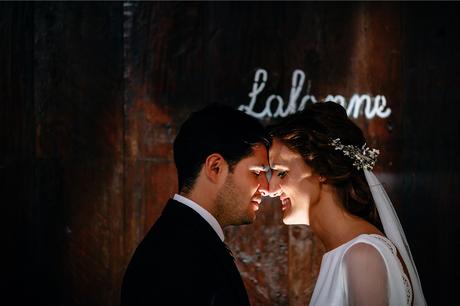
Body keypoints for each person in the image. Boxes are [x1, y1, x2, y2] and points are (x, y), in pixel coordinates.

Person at [267, 102, 426, 306]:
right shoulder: (348, 252)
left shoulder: (362, 256)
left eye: (282, 172)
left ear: (322, 170)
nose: (270, 190)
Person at [121, 104, 270, 306]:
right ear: (215, 167)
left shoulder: (183, 240)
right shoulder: (179, 257)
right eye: (256, 172)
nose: (266, 187)